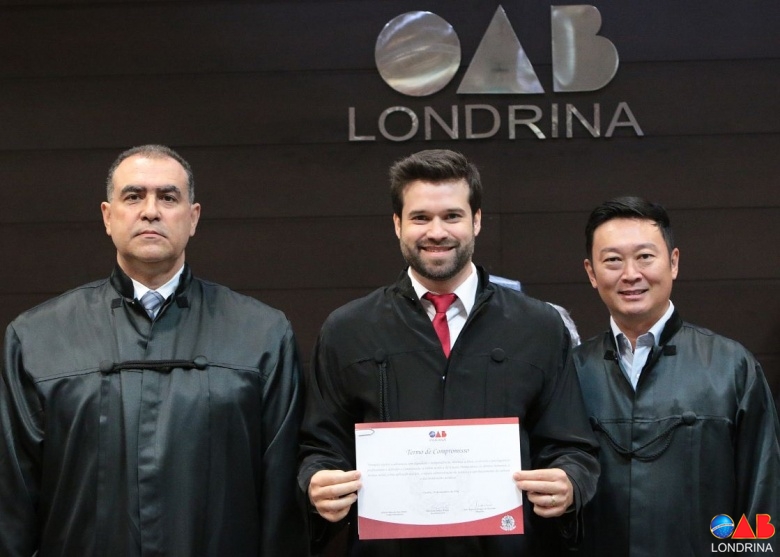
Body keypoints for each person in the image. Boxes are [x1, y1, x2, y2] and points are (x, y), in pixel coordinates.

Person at [0, 145, 308, 556]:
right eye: (133, 196)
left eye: (167, 197)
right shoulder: (39, 336)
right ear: (108, 216)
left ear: (193, 217)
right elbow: (12, 501)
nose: (150, 211)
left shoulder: (261, 334)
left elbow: (281, 499)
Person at [298, 149, 600, 556]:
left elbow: (572, 445)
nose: (436, 232)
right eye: (420, 218)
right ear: (397, 224)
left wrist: (571, 480)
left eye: (452, 216)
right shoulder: (348, 329)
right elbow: (320, 447)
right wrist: (317, 480)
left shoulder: (539, 326)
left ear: (476, 221)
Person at [574, 196, 780, 556]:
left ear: (673, 262)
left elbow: (763, 493)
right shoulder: (571, 371)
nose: (630, 274)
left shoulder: (731, 366)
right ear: (592, 273)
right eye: (613, 260)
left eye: (645, 257)